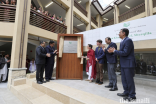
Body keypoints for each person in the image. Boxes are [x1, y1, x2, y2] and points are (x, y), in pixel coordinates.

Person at [108, 28, 136, 102]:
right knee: (124, 80)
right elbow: (122, 52)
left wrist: (114, 51)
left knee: (129, 80)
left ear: (124, 33)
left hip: (128, 64)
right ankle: (126, 92)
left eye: (119, 32)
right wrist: (115, 51)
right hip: (123, 64)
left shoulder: (128, 40)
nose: (118, 33)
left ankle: (132, 95)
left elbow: (125, 52)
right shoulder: (122, 41)